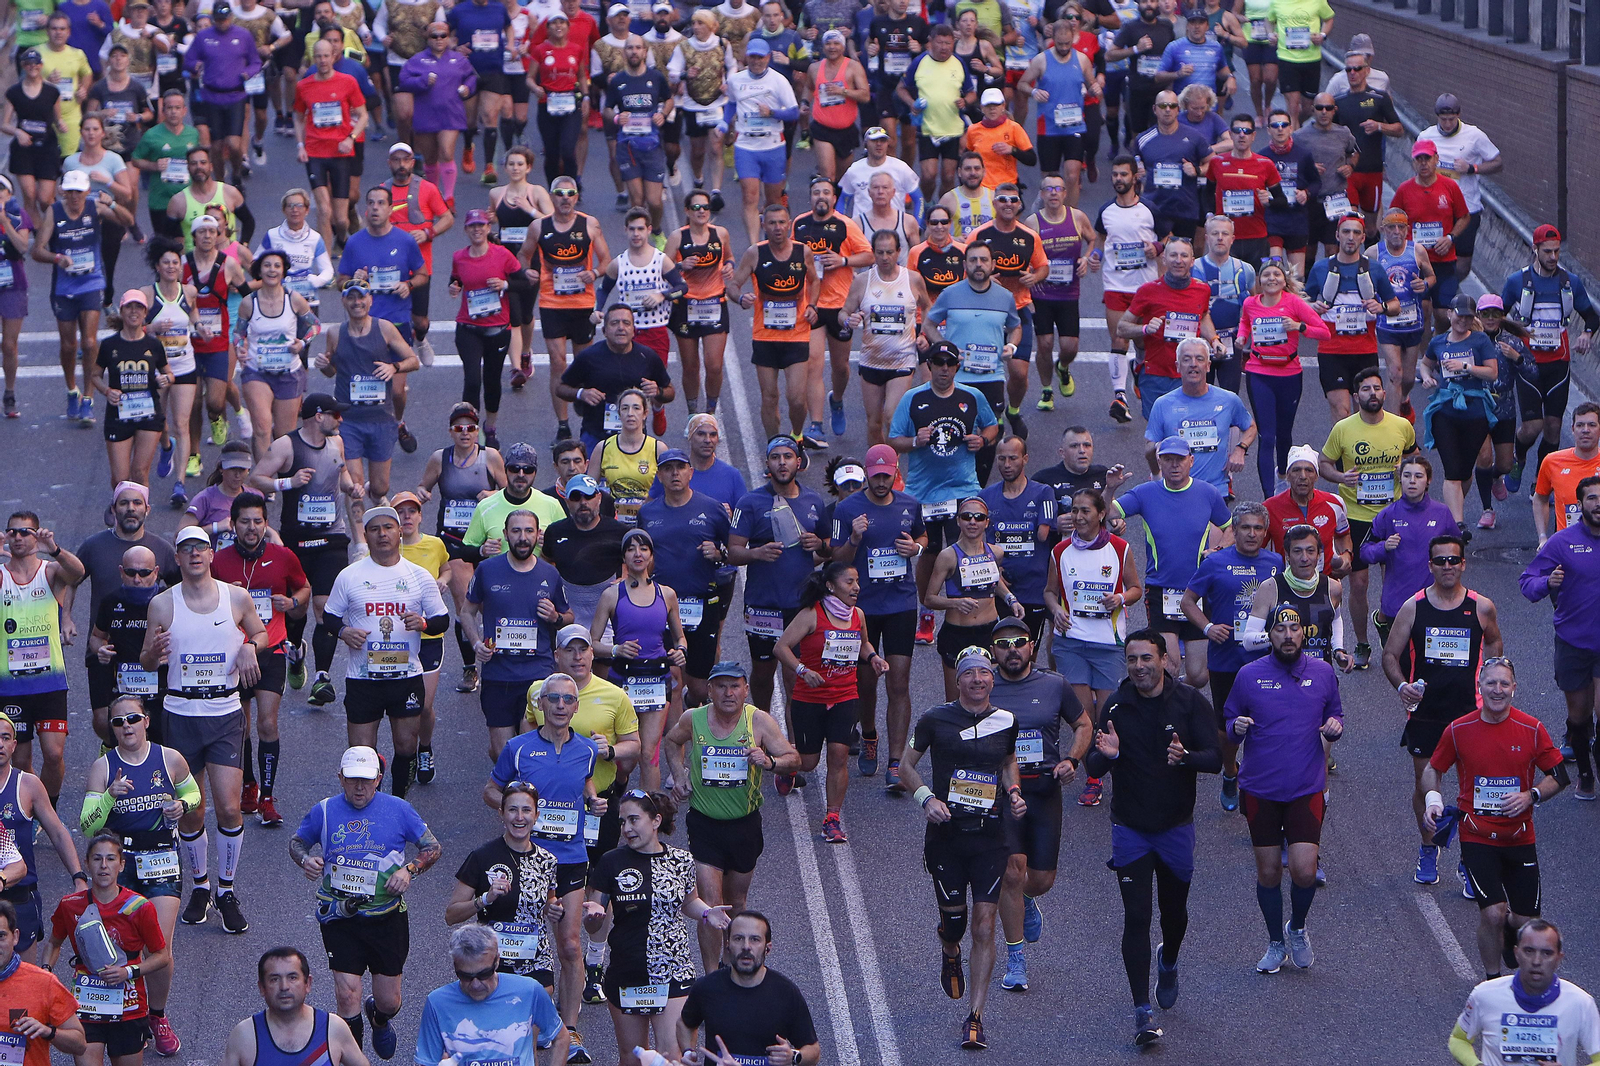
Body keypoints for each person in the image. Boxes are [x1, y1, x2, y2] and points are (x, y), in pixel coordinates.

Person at [1082, 628, 1219, 1046]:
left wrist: (1186, 758)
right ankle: (1142, 1012)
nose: (1139, 667)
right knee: (1137, 917)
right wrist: (1108, 756)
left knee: (1174, 917)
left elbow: (1215, 759)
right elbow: (1093, 764)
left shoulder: (1191, 703)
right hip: (1131, 830)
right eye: (1132, 659)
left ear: (1164, 661)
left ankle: (1170, 958)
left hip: (1176, 827)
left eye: (1146, 658)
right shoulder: (1117, 706)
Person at [139, 526, 267, 935]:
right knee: (193, 808)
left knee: (229, 807)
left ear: (212, 555)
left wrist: (250, 646)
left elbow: (263, 631)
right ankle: (200, 887)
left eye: (201, 549)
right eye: (186, 550)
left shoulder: (235, 596)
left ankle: (227, 891)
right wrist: (153, 654)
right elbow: (144, 659)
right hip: (179, 712)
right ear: (176, 558)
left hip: (225, 711)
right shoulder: (162, 603)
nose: (194, 555)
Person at [895, 649, 1024, 1050]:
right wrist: (925, 799)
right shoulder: (936, 718)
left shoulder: (1006, 721)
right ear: (958, 680)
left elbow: (1007, 762)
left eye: (984, 674)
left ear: (992, 679)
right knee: (955, 925)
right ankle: (949, 948)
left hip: (990, 837)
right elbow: (904, 766)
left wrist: (1014, 791)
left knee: (985, 925)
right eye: (970, 674)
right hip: (948, 838)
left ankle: (975, 1018)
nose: (978, 680)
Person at [289, 745, 440, 1061]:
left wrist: (410, 869)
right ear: (341, 778)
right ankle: (355, 1058)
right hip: (340, 917)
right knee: (347, 995)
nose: (360, 787)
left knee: (390, 1001)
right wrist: (306, 860)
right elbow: (297, 842)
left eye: (367, 780)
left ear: (379, 779)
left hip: (387, 918)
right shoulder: (325, 810)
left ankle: (380, 1018)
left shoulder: (399, 809)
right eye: (353, 779)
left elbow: (432, 848)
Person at [484, 674, 602, 1063]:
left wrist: (593, 802)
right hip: (525, 858)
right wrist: (515, 814)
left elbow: (584, 786)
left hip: (569, 859)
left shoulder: (586, 750)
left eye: (568, 700)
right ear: (541, 704)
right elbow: (491, 789)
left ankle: (569, 1031)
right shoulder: (517, 749)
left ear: (576, 707)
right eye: (553, 698)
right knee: (518, 942)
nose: (560, 706)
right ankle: (510, 1021)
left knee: (569, 944)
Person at [1424, 658, 1567, 978]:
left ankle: (1509, 936)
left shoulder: (1531, 728)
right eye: (1491, 683)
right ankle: (1491, 980)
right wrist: (1433, 800)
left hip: (1519, 838)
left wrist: (1530, 796)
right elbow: (1434, 768)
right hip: (1476, 836)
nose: (1497, 690)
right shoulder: (1459, 730)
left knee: (1526, 925)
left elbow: (1558, 775)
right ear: (1480, 687)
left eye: (1504, 683)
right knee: (1492, 913)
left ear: (1514, 689)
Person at [1224, 602, 1342, 974]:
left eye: (1294, 629)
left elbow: (1335, 712)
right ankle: (1275, 941)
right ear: (1269, 635)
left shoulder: (1323, 673)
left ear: (1303, 633)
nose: (1288, 636)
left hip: (1306, 787)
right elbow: (1228, 720)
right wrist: (1236, 727)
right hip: (1260, 789)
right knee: (1270, 872)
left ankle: (1298, 928)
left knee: (1305, 872)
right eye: (1280, 630)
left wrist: (1335, 726)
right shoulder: (1248, 675)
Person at [528, 630, 641, 1005]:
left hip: (598, 808)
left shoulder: (614, 695)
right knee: (549, 887)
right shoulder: (538, 692)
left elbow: (634, 747)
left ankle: (593, 959)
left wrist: (611, 750)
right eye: (569, 651)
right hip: (547, 815)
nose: (577, 657)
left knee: (597, 888)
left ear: (593, 655)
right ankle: (545, 960)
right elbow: (526, 742)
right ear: (556, 655)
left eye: (584, 650)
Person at [660, 662, 797, 973]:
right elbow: (671, 741)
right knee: (710, 905)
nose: (728, 692)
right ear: (709, 691)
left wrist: (770, 761)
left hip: (744, 825)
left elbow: (794, 759)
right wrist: (679, 775)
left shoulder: (758, 721)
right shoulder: (693, 719)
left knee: (736, 904)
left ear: (745, 690)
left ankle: (730, 962)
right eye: (720, 686)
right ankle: (711, 978)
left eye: (734, 686)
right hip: (704, 823)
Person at [1382, 533, 1501, 884]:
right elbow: (1390, 655)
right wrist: (1403, 686)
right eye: (1440, 561)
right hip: (1427, 713)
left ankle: (1469, 857)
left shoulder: (1481, 606)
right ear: (1430, 565)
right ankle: (1429, 847)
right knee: (1425, 786)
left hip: (1470, 713)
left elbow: (1494, 640)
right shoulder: (1413, 607)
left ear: (1463, 563)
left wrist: (1491, 682)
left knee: (1472, 788)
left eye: (1453, 560)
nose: (1447, 566)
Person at [584, 790, 728, 1066]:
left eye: (634, 820)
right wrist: (593, 918)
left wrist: (708, 912)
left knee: (674, 1056)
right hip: (628, 969)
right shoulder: (611, 862)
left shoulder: (681, 861)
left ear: (655, 820)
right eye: (623, 821)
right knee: (633, 1058)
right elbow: (594, 916)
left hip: (673, 970)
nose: (626, 828)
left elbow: (689, 902)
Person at [988, 617, 1088, 991]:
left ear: (1032, 645)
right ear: (993, 651)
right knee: (1011, 871)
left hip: (1044, 791)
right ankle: (1016, 959)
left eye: (1019, 641)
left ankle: (1028, 899)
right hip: (1000, 796)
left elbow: (1083, 725)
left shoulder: (1054, 685)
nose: (1012, 649)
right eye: (1003, 643)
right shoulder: (986, 686)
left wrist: (1073, 760)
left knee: (1040, 878)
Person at [322, 508, 451, 796]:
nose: (382, 534)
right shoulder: (350, 576)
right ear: (366, 535)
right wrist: (344, 631)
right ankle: (368, 806)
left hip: (405, 678)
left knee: (406, 746)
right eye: (375, 529)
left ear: (399, 532)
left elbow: (443, 619)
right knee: (360, 753)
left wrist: (424, 623)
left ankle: (398, 804)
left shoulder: (418, 576)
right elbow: (329, 617)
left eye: (389, 528)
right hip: (363, 679)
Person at [247, 394, 359, 703]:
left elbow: (343, 473)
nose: (341, 420)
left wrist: (352, 487)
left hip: (332, 538)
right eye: (336, 415)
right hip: (296, 540)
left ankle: (322, 677)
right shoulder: (286, 446)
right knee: (296, 609)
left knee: (324, 608)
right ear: (318, 416)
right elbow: (257, 478)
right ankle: (295, 650)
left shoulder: (337, 444)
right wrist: (289, 482)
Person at [210, 491, 310, 824]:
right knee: (241, 727)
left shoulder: (283, 557)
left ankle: (267, 798)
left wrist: (292, 604)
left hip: (271, 649)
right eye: (244, 522)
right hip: (233, 653)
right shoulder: (219, 562)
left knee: (267, 723)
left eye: (257, 521)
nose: (251, 528)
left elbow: (304, 588)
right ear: (232, 524)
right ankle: (249, 784)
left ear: (266, 523)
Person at [828, 444, 925, 786]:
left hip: (900, 603)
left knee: (899, 681)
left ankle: (896, 761)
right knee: (865, 682)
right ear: (867, 474)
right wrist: (854, 538)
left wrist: (917, 548)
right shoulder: (847, 508)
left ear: (895, 473)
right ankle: (869, 737)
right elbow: (836, 558)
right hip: (862, 608)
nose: (882, 482)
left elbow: (922, 536)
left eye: (887, 475)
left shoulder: (909, 505)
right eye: (876, 476)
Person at [773, 562, 886, 840]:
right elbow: (781, 647)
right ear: (831, 586)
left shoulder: (857, 615)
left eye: (857, 581)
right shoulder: (811, 614)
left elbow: (863, 643)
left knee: (838, 756)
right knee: (809, 762)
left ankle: (832, 819)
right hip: (809, 699)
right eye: (849, 582)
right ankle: (787, 770)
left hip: (845, 696)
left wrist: (873, 658)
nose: (856, 587)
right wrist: (803, 670)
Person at [1178, 499, 1279, 806]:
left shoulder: (1276, 563)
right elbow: (1187, 602)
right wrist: (1208, 629)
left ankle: (1258, 778)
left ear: (1265, 532)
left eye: (1258, 528)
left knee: (1266, 722)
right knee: (1226, 729)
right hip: (1226, 659)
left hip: (1266, 659)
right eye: (1245, 527)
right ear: (1233, 530)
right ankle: (1230, 771)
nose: (1251, 533)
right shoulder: (1214, 564)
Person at [44, 834, 171, 1066]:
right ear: (87, 863)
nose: (104, 866)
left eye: (111, 859)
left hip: (129, 1006)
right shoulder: (69, 904)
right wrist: (45, 972)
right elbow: (53, 942)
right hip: (86, 1004)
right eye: (97, 859)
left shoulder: (140, 907)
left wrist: (128, 972)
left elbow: (162, 956)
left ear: (121, 865)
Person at [1113, 435, 1229, 685]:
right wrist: (1110, 489)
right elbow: (1107, 512)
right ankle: (1168, 710)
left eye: (1180, 459)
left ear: (1191, 460)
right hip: (1162, 590)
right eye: (1168, 459)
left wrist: (1219, 549)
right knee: (1170, 667)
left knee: (1198, 677)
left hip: (1198, 592)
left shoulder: (1207, 493)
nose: (1174, 465)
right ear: (1159, 462)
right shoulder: (1145, 493)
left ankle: (1174, 694)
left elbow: (1230, 527)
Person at [1319, 366, 1415, 667]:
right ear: (1356, 396)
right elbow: (1324, 463)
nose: (1372, 394)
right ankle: (1362, 643)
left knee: (1395, 583)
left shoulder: (1401, 425)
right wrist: (1339, 476)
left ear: (1384, 393)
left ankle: (1394, 639)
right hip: (1358, 517)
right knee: (1359, 584)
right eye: (1365, 389)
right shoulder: (1343, 429)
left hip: (1394, 514)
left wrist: (1407, 470)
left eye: (1376, 388)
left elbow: (1413, 456)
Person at [727, 437, 828, 716]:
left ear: (799, 462)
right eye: (775, 457)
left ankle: (794, 742)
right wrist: (757, 553)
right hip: (763, 603)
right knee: (762, 674)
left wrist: (818, 545)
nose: (782, 463)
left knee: (794, 674)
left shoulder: (814, 501)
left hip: (801, 604)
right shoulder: (750, 502)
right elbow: (733, 552)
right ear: (767, 463)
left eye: (787, 457)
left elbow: (830, 547)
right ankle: (763, 727)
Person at [0, 510, 87, 810]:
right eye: (12, 532)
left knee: (53, 754)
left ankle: (47, 806)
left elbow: (77, 573)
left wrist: (56, 549)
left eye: (25, 532)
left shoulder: (49, 572)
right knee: (21, 759)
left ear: (37, 535)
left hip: (49, 682)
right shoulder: (1, 576)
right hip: (11, 687)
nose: (18, 537)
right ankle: (33, 807)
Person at [315, 281, 419, 531]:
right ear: (343, 302)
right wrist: (324, 364)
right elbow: (332, 372)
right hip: (348, 420)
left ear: (370, 300)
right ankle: (361, 543)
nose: (356, 303)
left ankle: (379, 495)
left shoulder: (384, 329)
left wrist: (393, 367)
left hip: (381, 418)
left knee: (379, 486)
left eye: (361, 298)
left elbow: (413, 360)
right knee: (355, 486)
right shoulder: (335, 333)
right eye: (351, 298)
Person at [1501, 225, 1600, 484]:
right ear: (1534, 249)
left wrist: (1586, 334)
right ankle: (1519, 457)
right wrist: (1514, 335)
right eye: (1547, 252)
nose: (1553, 257)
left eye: (1557, 251)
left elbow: (1591, 315)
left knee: (1553, 427)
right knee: (1532, 427)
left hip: (1558, 362)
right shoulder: (1517, 281)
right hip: (1528, 364)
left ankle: (1541, 481)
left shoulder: (1570, 282)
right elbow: (1497, 317)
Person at [1521, 475, 1600, 798]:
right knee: (1579, 718)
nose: (1599, 503)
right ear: (1579, 504)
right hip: (1573, 643)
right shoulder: (1562, 542)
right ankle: (1584, 772)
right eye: (1592, 498)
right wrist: (1548, 583)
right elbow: (1527, 583)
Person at [37, 170, 134, 430]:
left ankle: (88, 399)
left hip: (91, 283)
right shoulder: (54, 212)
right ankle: (72, 390)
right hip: (64, 287)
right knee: (69, 345)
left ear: (86, 191)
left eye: (79, 192)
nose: (75, 197)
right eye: (70, 192)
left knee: (90, 342)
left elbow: (128, 221)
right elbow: (37, 250)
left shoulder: (95, 208)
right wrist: (58, 258)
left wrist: (111, 202)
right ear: (62, 192)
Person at [588, 529, 682, 793]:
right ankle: (620, 789)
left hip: (656, 681)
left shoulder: (667, 595)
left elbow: (680, 639)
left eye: (643, 549)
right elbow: (592, 644)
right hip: (622, 681)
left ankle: (647, 813)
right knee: (626, 760)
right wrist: (616, 650)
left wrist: (680, 651)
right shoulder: (611, 595)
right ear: (624, 557)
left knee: (649, 752)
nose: (637, 554)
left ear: (651, 556)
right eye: (631, 549)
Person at [446, 780, 559, 990]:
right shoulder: (482, 857)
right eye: (512, 810)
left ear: (536, 815)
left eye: (526, 810)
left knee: (536, 1015)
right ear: (501, 814)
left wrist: (554, 908)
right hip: (492, 963)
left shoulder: (548, 860)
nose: (519, 817)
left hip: (535, 959)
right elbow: (451, 915)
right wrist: (485, 899)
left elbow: (548, 901)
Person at [1449, 919, 1600, 1066]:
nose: (1536, 961)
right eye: (1529, 951)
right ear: (1516, 953)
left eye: (1546, 953)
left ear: (1559, 958)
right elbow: (1458, 1039)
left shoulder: (1580, 1002)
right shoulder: (1484, 995)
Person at [675, 912, 819, 1066]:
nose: (746, 947)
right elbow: (684, 1024)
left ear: (767, 949)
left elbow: (813, 1051)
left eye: (755, 939)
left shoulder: (786, 993)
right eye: (738, 939)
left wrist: (793, 1057)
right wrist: (688, 1052)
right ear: (728, 945)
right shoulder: (707, 988)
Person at [414, 925, 569, 1066]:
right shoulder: (438, 1003)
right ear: (455, 966)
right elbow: (426, 1061)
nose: (475, 984)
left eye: (484, 974)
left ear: (497, 961)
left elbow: (561, 1037)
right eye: (465, 976)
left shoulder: (529, 990)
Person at [1236, 258, 1329, 493]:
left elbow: (1324, 333)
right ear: (1259, 280)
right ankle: (1269, 497)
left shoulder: (1294, 304)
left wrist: (1299, 327)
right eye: (1266, 275)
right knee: (1267, 436)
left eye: (1276, 275)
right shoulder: (1250, 303)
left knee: (1284, 433)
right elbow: (1245, 323)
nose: (1271, 279)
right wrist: (1241, 336)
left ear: (1284, 280)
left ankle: (1281, 479)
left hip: (1289, 373)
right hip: (1259, 372)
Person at [731, 203, 821, 441]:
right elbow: (732, 285)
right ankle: (774, 446)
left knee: (796, 398)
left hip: (796, 335)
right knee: (769, 397)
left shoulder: (803, 252)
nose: (777, 228)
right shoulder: (755, 253)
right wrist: (741, 298)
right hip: (765, 336)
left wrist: (812, 306)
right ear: (763, 225)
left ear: (789, 224)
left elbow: (815, 280)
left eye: (782, 222)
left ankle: (797, 435)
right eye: (772, 223)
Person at [1420, 294, 1500, 533]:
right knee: (1452, 472)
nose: (1462, 320)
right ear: (1449, 314)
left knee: (1464, 472)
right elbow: (1426, 363)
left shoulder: (1480, 340)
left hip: (1475, 413)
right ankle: (1457, 526)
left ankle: (1451, 515)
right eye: (1459, 315)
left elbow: (1492, 373)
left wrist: (1466, 367)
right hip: (1446, 412)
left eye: (1467, 316)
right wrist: (1426, 377)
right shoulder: (1439, 342)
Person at [218, 947, 370, 1066]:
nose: (284, 987)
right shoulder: (245, 1035)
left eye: (292, 978)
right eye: (274, 979)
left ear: (308, 983)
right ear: (262, 988)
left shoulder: (333, 1029)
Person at [1090, 155, 1158, 423]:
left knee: (1142, 340)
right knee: (1119, 337)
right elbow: (1100, 236)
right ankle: (1119, 396)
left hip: (1144, 286)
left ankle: (1138, 368)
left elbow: (1165, 239)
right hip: (1115, 284)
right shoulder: (1106, 210)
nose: (1118, 179)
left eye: (1123, 174)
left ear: (1134, 177)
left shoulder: (1150, 209)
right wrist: (1095, 253)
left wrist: (1158, 249)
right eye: (1115, 174)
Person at [1144, 337, 1254, 494]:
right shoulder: (1163, 404)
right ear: (1178, 366)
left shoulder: (1229, 400)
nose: (1193, 364)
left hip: (1216, 491)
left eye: (1199, 359)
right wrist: (1156, 474)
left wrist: (1240, 449)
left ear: (1208, 366)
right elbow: (1149, 447)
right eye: (1186, 359)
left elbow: (1250, 426)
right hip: (1176, 492)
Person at [1024, 173, 1093, 411]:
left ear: (1065, 193)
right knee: (1044, 344)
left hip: (1068, 294)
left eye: (1058, 189)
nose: (1054, 193)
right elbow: (1024, 254)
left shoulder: (1077, 217)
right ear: (1042, 194)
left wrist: (1086, 258)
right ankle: (1046, 390)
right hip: (1042, 294)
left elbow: (1093, 240)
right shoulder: (1033, 222)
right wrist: (1031, 273)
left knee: (1070, 347)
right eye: (1048, 189)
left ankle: (1062, 368)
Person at [91, 289, 172, 491]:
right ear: (122, 311)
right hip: (118, 415)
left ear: (145, 314)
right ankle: (118, 507)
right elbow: (95, 375)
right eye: (129, 307)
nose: (134, 312)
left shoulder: (153, 345)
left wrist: (165, 379)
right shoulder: (110, 345)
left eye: (139, 308)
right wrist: (106, 391)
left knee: (139, 472)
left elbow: (169, 373)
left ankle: (140, 518)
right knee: (119, 477)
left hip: (149, 414)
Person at [666, 190, 734, 421]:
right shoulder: (678, 237)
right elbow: (662, 269)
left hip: (715, 303)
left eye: (705, 207)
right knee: (691, 367)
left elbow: (730, 258)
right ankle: (693, 414)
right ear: (687, 211)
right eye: (696, 208)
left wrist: (729, 267)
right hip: (686, 306)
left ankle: (711, 412)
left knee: (714, 365)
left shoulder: (720, 234)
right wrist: (680, 265)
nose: (702, 211)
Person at [1391, 140, 1470, 334]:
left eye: (1427, 158)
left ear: (1436, 159)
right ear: (1413, 162)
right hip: (1416, 263)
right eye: (1419, 159)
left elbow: (1464, 216)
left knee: (1444, 314)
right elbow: (1393, 218)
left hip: (1444, 261)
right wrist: (1402, 244)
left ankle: (1438, 345)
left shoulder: (1450, 186)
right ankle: (1425, 358)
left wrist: (1450, 238)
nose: (1423, 163)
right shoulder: (1404, 190)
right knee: (1423, 311)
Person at [0, 898, 89, 1066]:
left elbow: (80, 1044)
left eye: (1, 936)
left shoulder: (43, 982)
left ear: (15, 937)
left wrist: (49, 1032)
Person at [397, 21, 476, 207]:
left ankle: (449, 196)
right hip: (426, 114)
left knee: (447, 152)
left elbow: (472, 77)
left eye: (443, 36)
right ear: (427, 38)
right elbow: (403, 81)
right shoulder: (417, 60)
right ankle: (433, 195)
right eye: (434, 36)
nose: (439, 39)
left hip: (451, 113)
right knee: (430, 158)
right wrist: (423, 81)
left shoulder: (459, 59)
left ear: (449, 38)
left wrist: (467, 88)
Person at [185, 3, 265, 187]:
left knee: (234, 144)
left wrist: (248, 73)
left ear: (231, 17)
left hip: (235, 95)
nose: (223, 23)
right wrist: (195, 65)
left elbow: (255, 62)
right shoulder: (203, 37)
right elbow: (189, 59)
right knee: (216, 147)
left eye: (226, 19)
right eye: (219, 19)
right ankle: (220, 183)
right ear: (213, 19)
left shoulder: (243, 35)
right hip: (212, 96)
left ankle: (236, 172)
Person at [1369, 208, 1434, 421]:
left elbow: (1432, 277)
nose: (1396, 232)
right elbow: (1360, 278)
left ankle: (1404, 399)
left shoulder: (1418, 251)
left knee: (1407, 378)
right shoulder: (1373, 253)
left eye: (1401, 227)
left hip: (1413, 323)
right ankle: (1392, 427)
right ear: (1383, 230)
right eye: (1391, 227)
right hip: (1387, 324)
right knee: (1394, 373)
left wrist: (1423, 284)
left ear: (1407, 229)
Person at [459, 442, 569, 562]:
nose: (521, 474)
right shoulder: (486, 506)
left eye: (528, 470)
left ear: (535, 473)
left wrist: (551, 545)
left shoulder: (552, 505)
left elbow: (569, 547)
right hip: (500, 578)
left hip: (539, 579)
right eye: (514, 469)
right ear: (505, 471)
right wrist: (482, 550)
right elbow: (465, 550)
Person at [2, 48, 66, 229]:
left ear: (41, 66)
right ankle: (39, 236)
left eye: (36, 64)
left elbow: (57, 117)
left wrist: (61, 125)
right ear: (23, 66)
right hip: (24, 150)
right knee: (29, 195)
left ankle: (55, 226)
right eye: (28, 64)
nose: (32, 67)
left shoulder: (52, 91)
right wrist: (18, 132)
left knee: (45, 198)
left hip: (47, 147)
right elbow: (4, 124)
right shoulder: (14, 92)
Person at [1263, 445, 1351, 574]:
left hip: (1325, 583)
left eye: (1309, 470)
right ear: (1287, 475)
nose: (1303, 476)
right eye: (1296, 470)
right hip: (1286, 585)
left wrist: (1346, 555)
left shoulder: (1335, 503)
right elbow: (1256, 548)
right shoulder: (1269, 508)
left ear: (1317, 476)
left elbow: (1343, 534)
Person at [1531, 404, 1600, 546]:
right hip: (1567, 548)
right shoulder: (1552, 462)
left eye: (1592, 425)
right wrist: (1543, 537)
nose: (1585, 430)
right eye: (1580, 425)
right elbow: (1540, 499)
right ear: (1573, 429)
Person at [805, 30, 869, 181]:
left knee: (844, 178)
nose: (832, 47)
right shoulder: (814, 68)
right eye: (828, 43)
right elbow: (808, 87)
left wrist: (843, 91)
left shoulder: (853, 67)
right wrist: (804, 102)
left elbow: (865, 96)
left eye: (836, 43)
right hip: (822, 127)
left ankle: (838, 203)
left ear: (843, 46)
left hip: (846, 130)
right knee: (828, 175)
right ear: (823, 47)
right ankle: (826, 199)